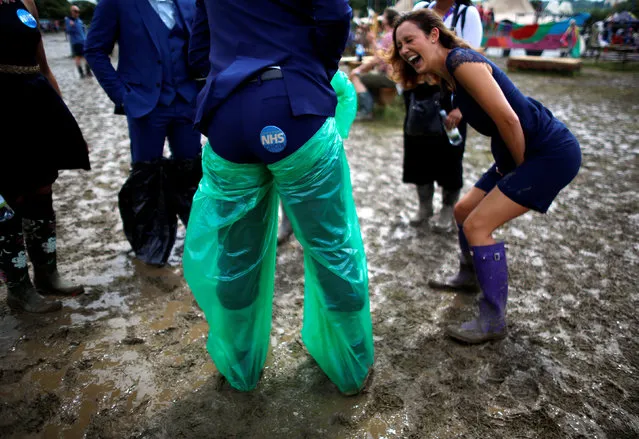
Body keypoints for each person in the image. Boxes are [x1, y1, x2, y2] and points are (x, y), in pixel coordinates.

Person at [183, 0, 374, 396]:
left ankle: (240, 364)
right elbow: (337, 14)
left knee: (236, 253)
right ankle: (350, 362)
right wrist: (313, 69)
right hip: (293, 106)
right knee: (330, 244)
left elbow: (198, 49)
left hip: (226, 117)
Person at [389, 9, 581, 344]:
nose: (404, 50)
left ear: (434, 35)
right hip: (516, 152)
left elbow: (508, 120)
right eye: (399, 45)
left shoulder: (462, 62)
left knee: (478, 225)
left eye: (409, 40)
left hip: (547, 152)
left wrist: (517, 171)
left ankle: (493, 319)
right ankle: (469, 275)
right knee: (463, 212)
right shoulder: (448, 75)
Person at [85, 0, 203, 267]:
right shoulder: (116, 3)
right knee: (145, 175)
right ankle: (151, 246)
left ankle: (197, 238)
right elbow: (94, 50)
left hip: (186, 101)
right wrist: (121, 95)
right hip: (144, 105)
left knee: (191, 172)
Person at [0, 0, 90, 313]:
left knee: (41, 189)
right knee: (7, 206)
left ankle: (47, 275)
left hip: (34, 101)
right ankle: (18, 288)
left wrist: (62, 117)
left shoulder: (25, 2)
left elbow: (44, 65)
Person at [403, 0, 482, 232]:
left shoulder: (467, 15)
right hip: (419, 96)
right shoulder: (420, 7)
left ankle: (448, 207)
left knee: (450, 155)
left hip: (452, 96)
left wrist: (462, 107)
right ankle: (424, 205)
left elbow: (472, 63)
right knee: (418, 152)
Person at [349, 8, 400, 120]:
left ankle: (365, 111)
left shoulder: (388, 36)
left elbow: (378, 58)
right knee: (368, 78)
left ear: (387, 20)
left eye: (384, 16)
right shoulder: (395, 34)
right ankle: (372, 109)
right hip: (394, 76)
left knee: (357, 78)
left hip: (389, 77)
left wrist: (358, 70)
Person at [64, 5, 91, 78]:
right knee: (78, 57)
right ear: (72, 12)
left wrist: (87, 38)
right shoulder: (68, 20)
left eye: (78, 11)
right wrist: (71, 26)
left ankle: (88, 72)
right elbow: (68, 31)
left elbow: (84, 31)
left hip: (84, 41)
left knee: (87, 56)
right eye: (75, 11)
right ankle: (81, 74)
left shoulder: (80, 21)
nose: (77, 13)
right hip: (76, 43)